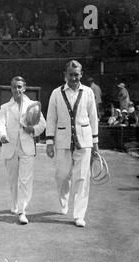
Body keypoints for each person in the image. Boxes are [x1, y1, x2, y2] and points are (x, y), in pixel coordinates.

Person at [46, 60, 99, 228]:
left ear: (81, 75)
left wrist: (95, 142)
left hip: (84, 141)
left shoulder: (88, 92)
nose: (74, 78)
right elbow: (51, 118)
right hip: (62, 141)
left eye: (77, 75)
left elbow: (93, 118)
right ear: (65, 75)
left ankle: (79, 215)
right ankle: (64, 201)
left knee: (82, 178)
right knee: (62, 176)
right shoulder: (56, 93)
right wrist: (49, 141)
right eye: (71, 74)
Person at [0, 76, 46, 224]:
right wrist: (2, 135)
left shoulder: (33, 105)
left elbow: (42, 124)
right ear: (11, 89)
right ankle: (15, 203)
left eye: (19, 87)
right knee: (13, 180)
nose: (17, 90)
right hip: (10, 147)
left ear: (24, 88)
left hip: (27, 147)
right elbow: (0, 123)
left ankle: (22, 211)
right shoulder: (5, 107)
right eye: (14, 87)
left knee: (25, 180)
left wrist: (32, 129)